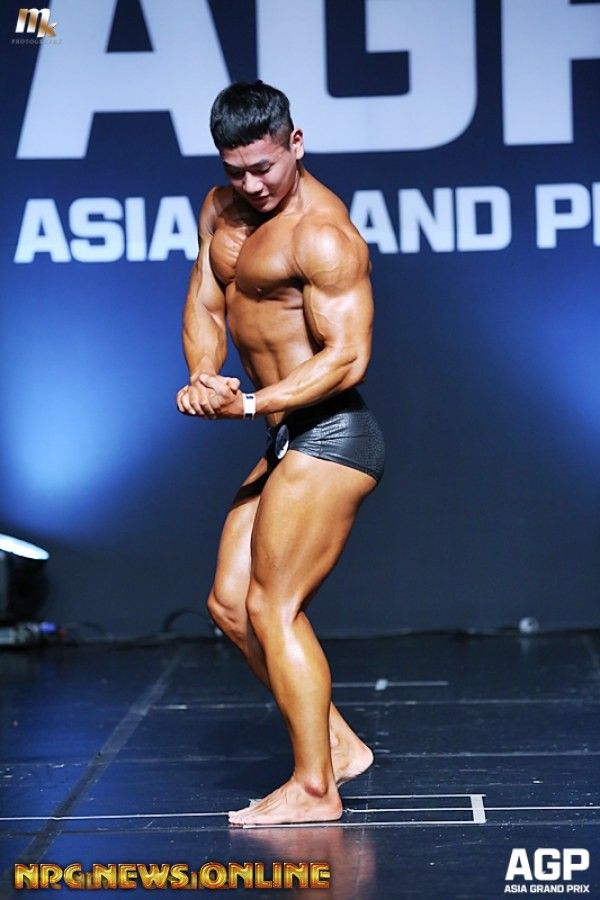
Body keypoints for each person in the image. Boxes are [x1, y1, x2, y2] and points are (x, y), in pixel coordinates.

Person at [176, 81, 385, 826]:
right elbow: (206, 300)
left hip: (332, 433)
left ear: (296, 143)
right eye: (236, 171)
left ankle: (315, 789)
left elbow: (348, 356)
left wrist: (251, 403)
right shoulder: (220, 209)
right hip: (286, 436)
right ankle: (339, 747)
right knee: (230, 604)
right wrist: (203, 374)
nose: (253, 185)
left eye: (265, 167)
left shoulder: (322, 233)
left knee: (273, 605)